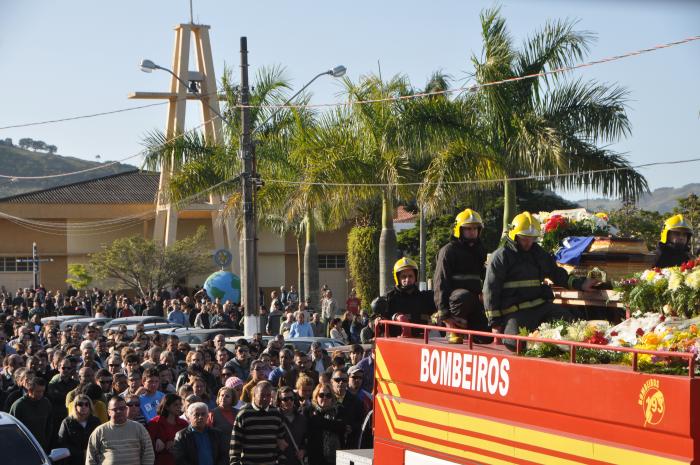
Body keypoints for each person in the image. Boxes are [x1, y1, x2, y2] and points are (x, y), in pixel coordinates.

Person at [483, 212, 600, 351]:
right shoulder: (501, 256)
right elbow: (490, 290)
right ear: (514, 235)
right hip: (516, 312)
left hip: (541, 307)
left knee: (572, 326)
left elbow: (557, 274)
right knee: (515, 344)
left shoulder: (538, 253)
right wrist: (495, 324)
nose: (528, 243)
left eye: (532, 239)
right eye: (524, 238)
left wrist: (581, 284)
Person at [433, 208, 492, 343]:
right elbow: (440, 282)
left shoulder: (481, 250)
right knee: (462, 296)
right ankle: (452, 330)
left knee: (486, 338)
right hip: (456, 302)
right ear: (459, 230)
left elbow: (486, 277)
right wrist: (444, 314)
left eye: (475, 229)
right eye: (468, 229)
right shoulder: (448, 251)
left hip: (475, 302)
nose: (472, 232)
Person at [373, 257, 436, 338]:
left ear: (415, 277)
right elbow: (374, 323)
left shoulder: (425, 297)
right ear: (398, 278)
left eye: (410, 276)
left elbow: (441, 303)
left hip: (423, 344)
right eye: (403, 276)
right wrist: (378, 320)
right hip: (396, 345)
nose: (407, 279)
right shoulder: (388, 299)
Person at [86, 395, 155, 465]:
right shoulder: (100, 431)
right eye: (115, 409)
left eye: (122, 408)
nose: (119, 411)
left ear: (126, 409)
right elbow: (90, 458)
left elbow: (148, 454)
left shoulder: (139, 428)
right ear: (109, 412)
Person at [230, 381, 287, 465]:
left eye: (268, 395)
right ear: (254, 395)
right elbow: (235, 442)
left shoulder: (276, 414)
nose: (265, 398)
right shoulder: (244, 413)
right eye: (262, 395)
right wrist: (235, 463)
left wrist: (281, 460)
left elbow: (281, 441)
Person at [305, 382, 349, 465]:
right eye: (321, 395)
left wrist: (317, 420)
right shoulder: (308, 411)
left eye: (328, 395)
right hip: (314, 458)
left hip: (335, 459)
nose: (325, 398)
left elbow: (341, 427)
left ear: (332, 398)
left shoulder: (339, 410)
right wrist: (331, 424)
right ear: (316, 396)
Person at [10, 375, 53, 452]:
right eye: (38, 391)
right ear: (30, 391)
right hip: (23, 447)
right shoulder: (18, 405)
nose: (41, 394)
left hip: (41, 447)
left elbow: (49, 424)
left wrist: (46, 441)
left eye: (43, 391)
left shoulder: (46, 403)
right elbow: (12, 429)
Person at [57, 394, 101, 465]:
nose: (84, 407)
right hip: (73, 460)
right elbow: (62, 442)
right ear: (75, 406)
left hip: (93, 460)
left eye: (86, 404)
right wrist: (80, 453)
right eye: (80, 404)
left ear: (90, 406)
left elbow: (101, 441)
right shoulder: (67, 422)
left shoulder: (96, 421)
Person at [146, 394, 188, 465]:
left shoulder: (183, 423)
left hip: (179, 461)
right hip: (161, 461)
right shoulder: (154, 423)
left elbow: (188, 444)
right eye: (175, 405)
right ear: (167, 406)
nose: (179, 407)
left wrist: (175, 444)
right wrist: (157, 443)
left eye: (180, 405)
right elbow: (147, 446)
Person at [277, 386, 308, 465]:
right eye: (285, 399)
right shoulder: (275, 419)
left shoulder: (302, 419)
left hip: (297, 461)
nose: (289, 401)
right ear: (279, 401)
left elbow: (307, 439)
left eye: (291, 398)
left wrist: (303, 450)